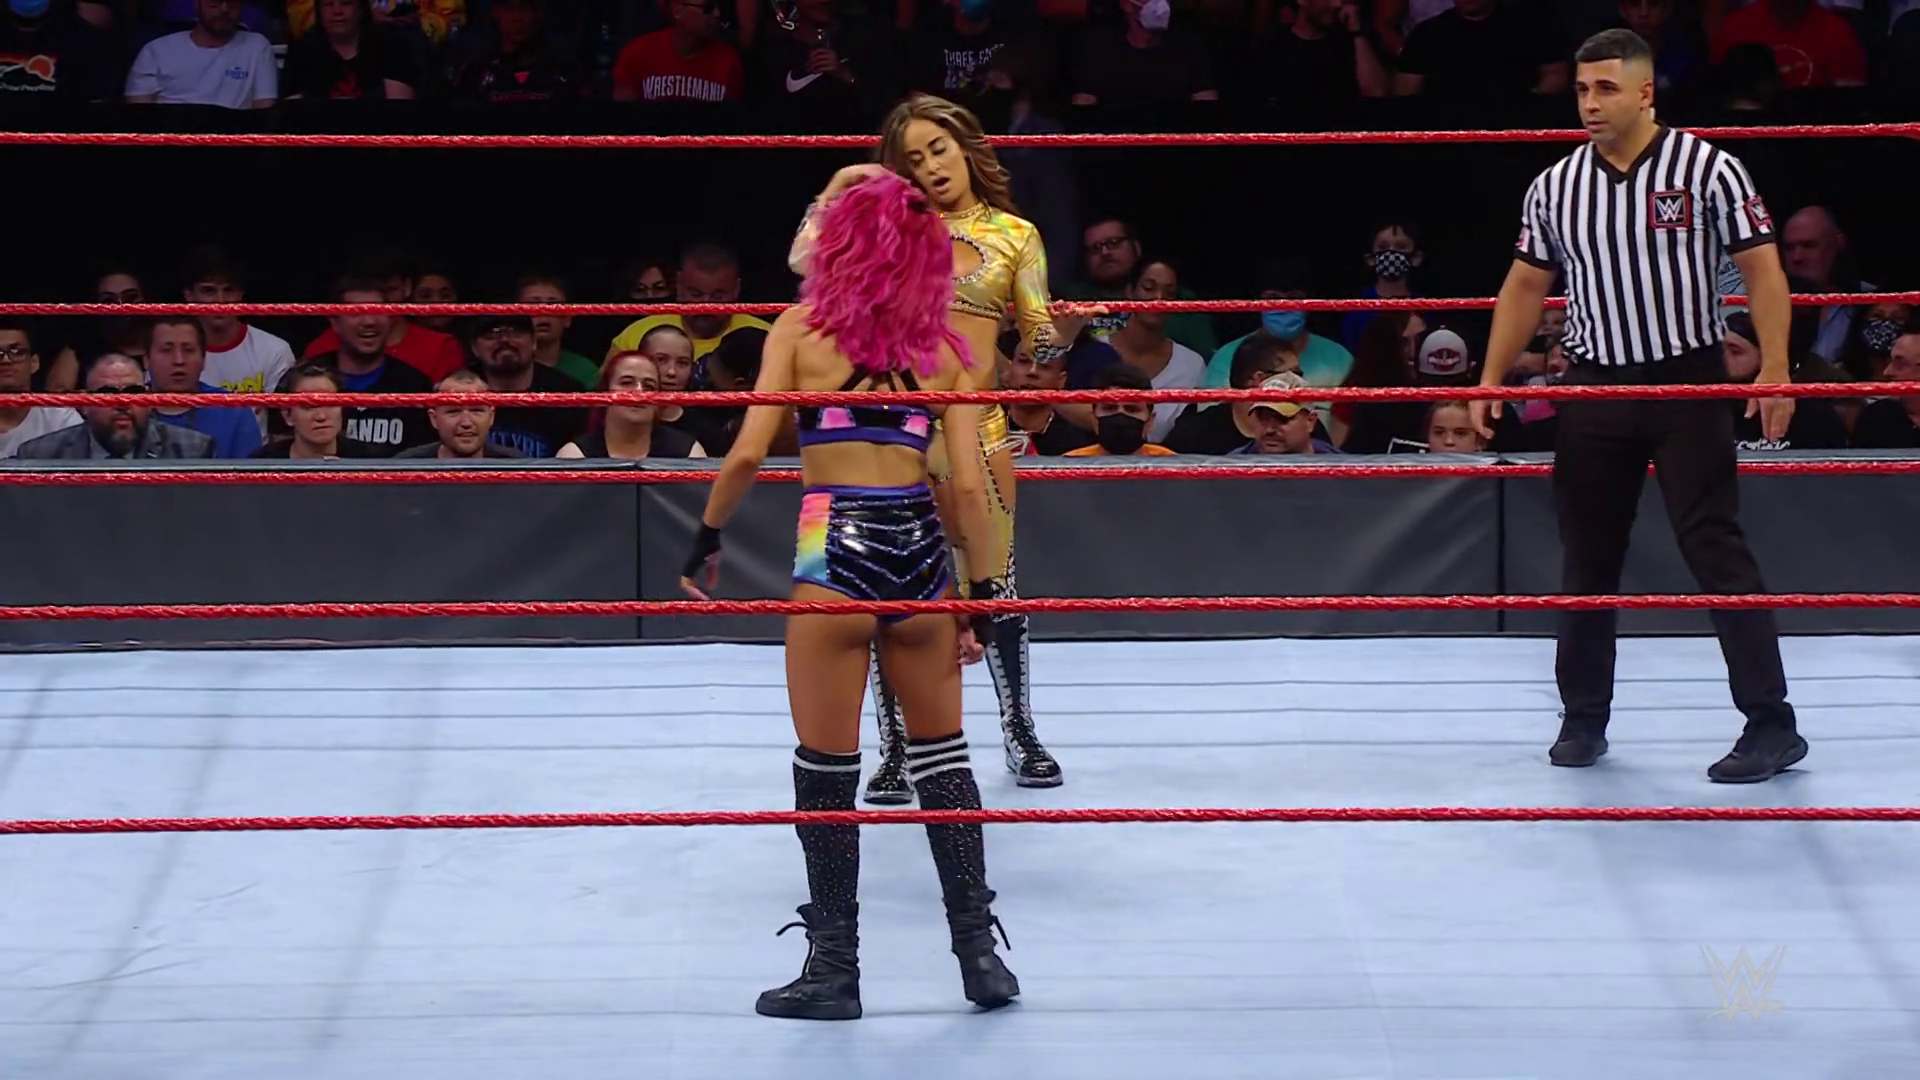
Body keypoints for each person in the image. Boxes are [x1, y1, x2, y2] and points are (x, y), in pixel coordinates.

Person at [681, 171, 1019, 1021]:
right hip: (920, 554)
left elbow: (749, 452)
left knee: (828, 771)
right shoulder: (948, 348)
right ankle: (980, 960)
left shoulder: (800, 330)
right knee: (944, 762)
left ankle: (834, 970)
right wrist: (979, 595)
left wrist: (707, 536)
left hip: (831, 548)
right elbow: (968, 488)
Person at [1473, 28, 1805, 784]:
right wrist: (1491, 377)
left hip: (1686, 382)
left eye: (1606, 89)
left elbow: (1763, 270)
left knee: (1714, 546)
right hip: (1594, 385)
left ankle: (1771, 722)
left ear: (1646, 92)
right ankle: (1583, 717)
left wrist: (1774, 369)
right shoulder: (1555, 186)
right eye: (1581, 90)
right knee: (1587, 553)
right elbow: (1525, 283)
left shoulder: (1708, 168)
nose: (1590, 104)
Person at [791, 93, 1073, 803]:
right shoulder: (895, 229)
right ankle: (893, 749)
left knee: (994, 578)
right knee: (885, 589)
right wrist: (842, 186)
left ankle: (1019, 729)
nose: (931, 168)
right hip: (896, 427)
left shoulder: (1016, 234)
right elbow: (803, 261)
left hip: (977, 422)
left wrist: (1057, 341)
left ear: (966, 146)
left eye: (939, 149)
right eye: (913, 159)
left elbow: (1038, 334)